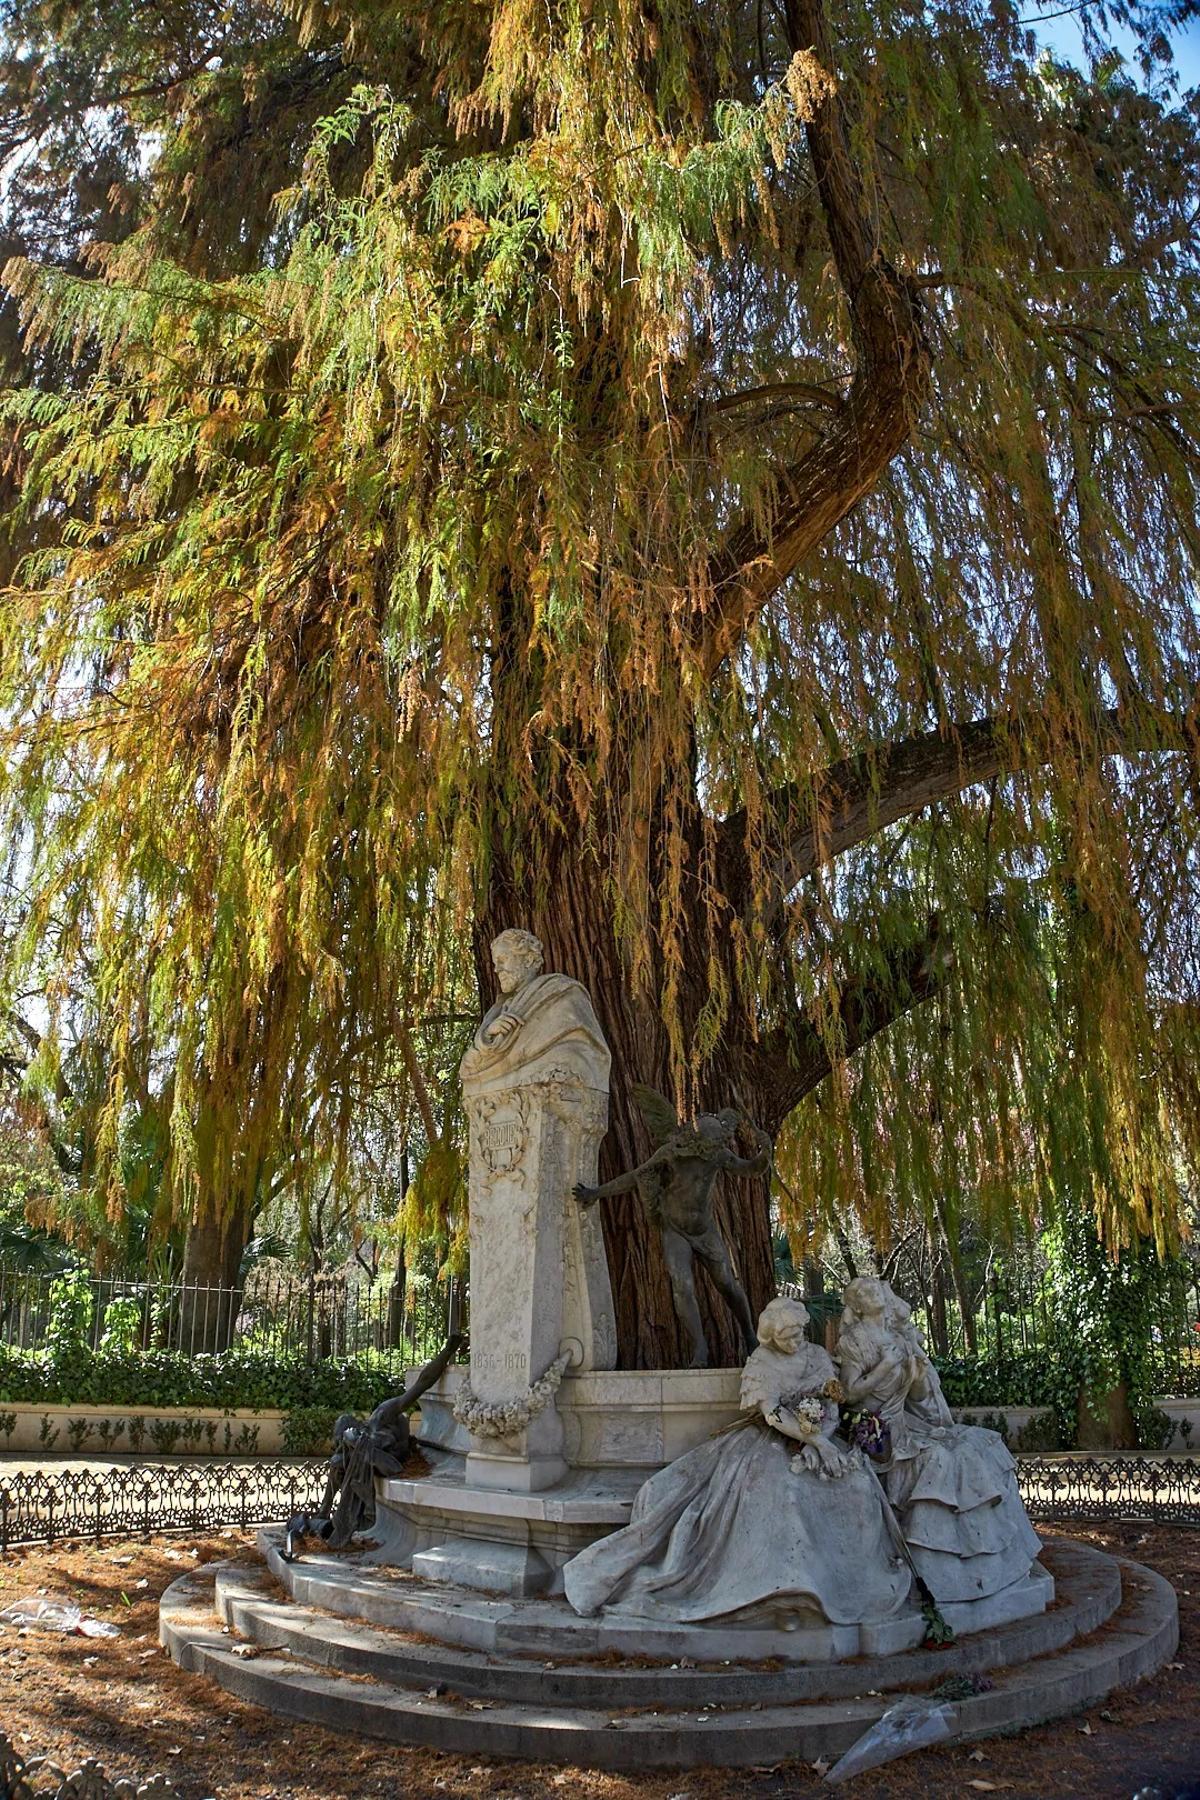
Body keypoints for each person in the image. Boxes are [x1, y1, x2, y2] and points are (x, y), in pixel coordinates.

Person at [562, 1296, 912, 1626]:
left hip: (819, 1436)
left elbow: (832, 1402)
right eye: (787, 1336)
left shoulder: (818, 1355)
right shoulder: (762, 1362)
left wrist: (824, 1438)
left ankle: (840, 1584)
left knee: (854, 1485)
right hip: (772, 1439)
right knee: (780, 1493)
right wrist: (814, 1440)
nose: (795, 1341)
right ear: (772, 1336)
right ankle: (782, 1593)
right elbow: (773, 1414)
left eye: (799, 1333)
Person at [836, 1277, 1041, 1604]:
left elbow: (916, 1395)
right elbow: (848, 1393)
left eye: (878, 1289)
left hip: (905, 1422)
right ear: (857, 1306)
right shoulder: (855, 1341)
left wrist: (916, 1378)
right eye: (867, 1293)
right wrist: (885, 1366)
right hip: (872, 1430)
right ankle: (931, 1562)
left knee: (973, 1447)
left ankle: (983, 1563)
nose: (877, 1294)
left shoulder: (900, 1340)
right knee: (938, 1458)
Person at [574, 1084, 768, 1365]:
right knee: (681, 1285)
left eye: (719, 1145)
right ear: (696, 1141)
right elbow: (634, 1177)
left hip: (704, 1230)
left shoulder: (718, 1155)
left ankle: (750, 1335)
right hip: (675, 1228)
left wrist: (764, 1153)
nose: (715, 1150)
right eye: (711, 1145)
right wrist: (595, 1193)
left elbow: (749, 1169)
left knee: (726, 1283)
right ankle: (699, 1348)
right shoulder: (672, 1152)